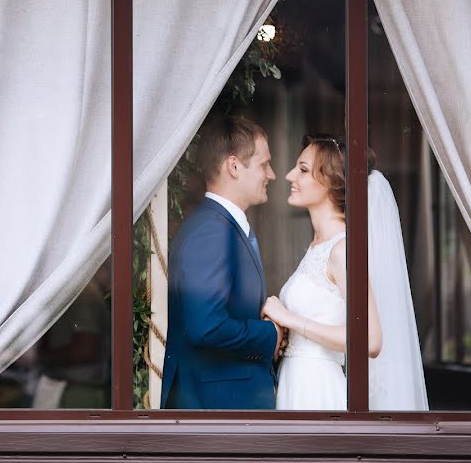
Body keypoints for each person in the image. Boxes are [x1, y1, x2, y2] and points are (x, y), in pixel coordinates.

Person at [262, 135, 428, 411]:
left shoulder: (343, 250)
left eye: (303, 170)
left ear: (330, 181)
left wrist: (289, 318)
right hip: (296, 382)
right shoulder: (318, 246)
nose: (290, 175)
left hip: (317, 391)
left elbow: (371, 340)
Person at [160, 117, 285, 410]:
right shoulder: (211, 231)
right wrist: (270, 335)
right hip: (216, 410)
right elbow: (206, 325)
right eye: (264, 164)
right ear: (234, 166)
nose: (273, 174)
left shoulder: (221, 226)